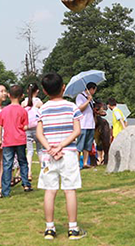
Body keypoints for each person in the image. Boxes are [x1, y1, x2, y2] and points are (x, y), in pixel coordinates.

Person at [36, 73, 86, 240]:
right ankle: (73, 229)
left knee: (50, 191)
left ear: (44, 90)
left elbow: (39, 133)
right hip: (68, 153)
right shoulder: (72, 107)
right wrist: (61, 146)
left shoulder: (42, 109)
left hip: (48, 155)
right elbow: (77, 131)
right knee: (69, 190)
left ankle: (49, 229)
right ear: (63, 87)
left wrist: (50, 148)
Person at [0, 84, 32, 197]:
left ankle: (5, 190)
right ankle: (26, 184)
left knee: (7, 165)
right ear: (22, 96)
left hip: (8, 141)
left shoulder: (4, 110)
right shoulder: (23, 111)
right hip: (20, 140)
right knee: (23, 162)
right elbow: (25, 126)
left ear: (9, 95)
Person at [23, 83, 43, 182]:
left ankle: (29, 172)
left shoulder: (24, 102)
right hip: (37, 128)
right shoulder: (39, 102)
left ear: (28, 91)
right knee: (39, 150)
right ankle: (43, 170)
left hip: (27, 129)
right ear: (37, 91)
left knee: (29, 151)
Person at [75, 82, 97, 169]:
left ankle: (85, 163)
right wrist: (88, 100)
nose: (94, 92)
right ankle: (76, 164)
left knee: (88, 145)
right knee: (80, 145)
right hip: (83, 124)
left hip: (90, 124)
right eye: (94, 90)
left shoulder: (90, 98)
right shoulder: (80, 96)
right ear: (91, 89)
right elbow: (79, 108)